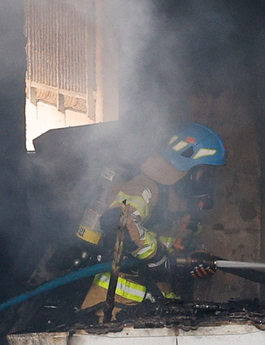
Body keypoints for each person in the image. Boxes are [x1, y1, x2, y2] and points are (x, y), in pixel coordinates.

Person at [75, 124, 227, 314]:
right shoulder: (145, 186)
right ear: (188, 166)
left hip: (152, 302)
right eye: (204, 171)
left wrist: (192, 261)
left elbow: (168, 243)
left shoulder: (176, 197)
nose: (206, 180)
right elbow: (120, 223)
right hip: (113, 305)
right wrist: (156, 256)